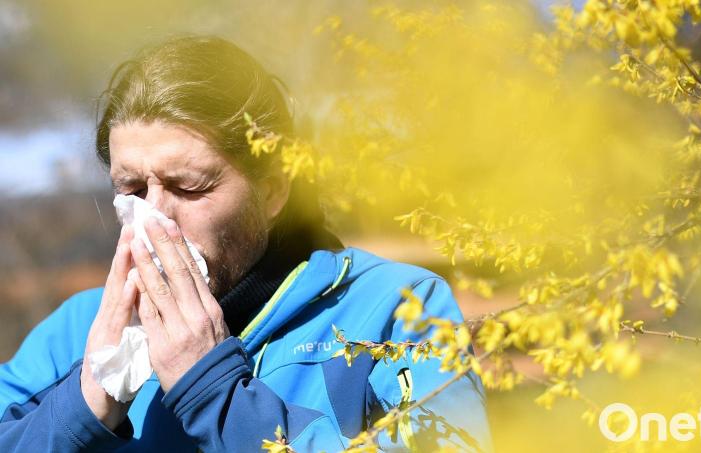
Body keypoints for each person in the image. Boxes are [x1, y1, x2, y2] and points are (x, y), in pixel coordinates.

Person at [0, 35, 491, 452]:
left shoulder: (395, 308)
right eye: (131, 190)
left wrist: (217, 395)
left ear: (273, 190)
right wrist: (80, 408)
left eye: (189, 187)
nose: (156, 216)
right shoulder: (80, 331)